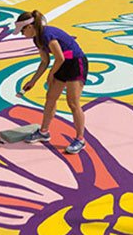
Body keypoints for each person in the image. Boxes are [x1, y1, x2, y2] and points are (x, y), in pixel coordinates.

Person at [13, 10, 88, 155]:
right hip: (62, 64)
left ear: (29, 27)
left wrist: (51, 74)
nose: (22, 35)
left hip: (75, 63)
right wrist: (32, 81)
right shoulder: (37, 39)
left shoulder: (47, 34)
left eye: (22, 31)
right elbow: (45, 61)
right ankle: (44, 132)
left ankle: (80, 139)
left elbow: (59, 58)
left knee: (73, 102)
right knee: (50, 98)